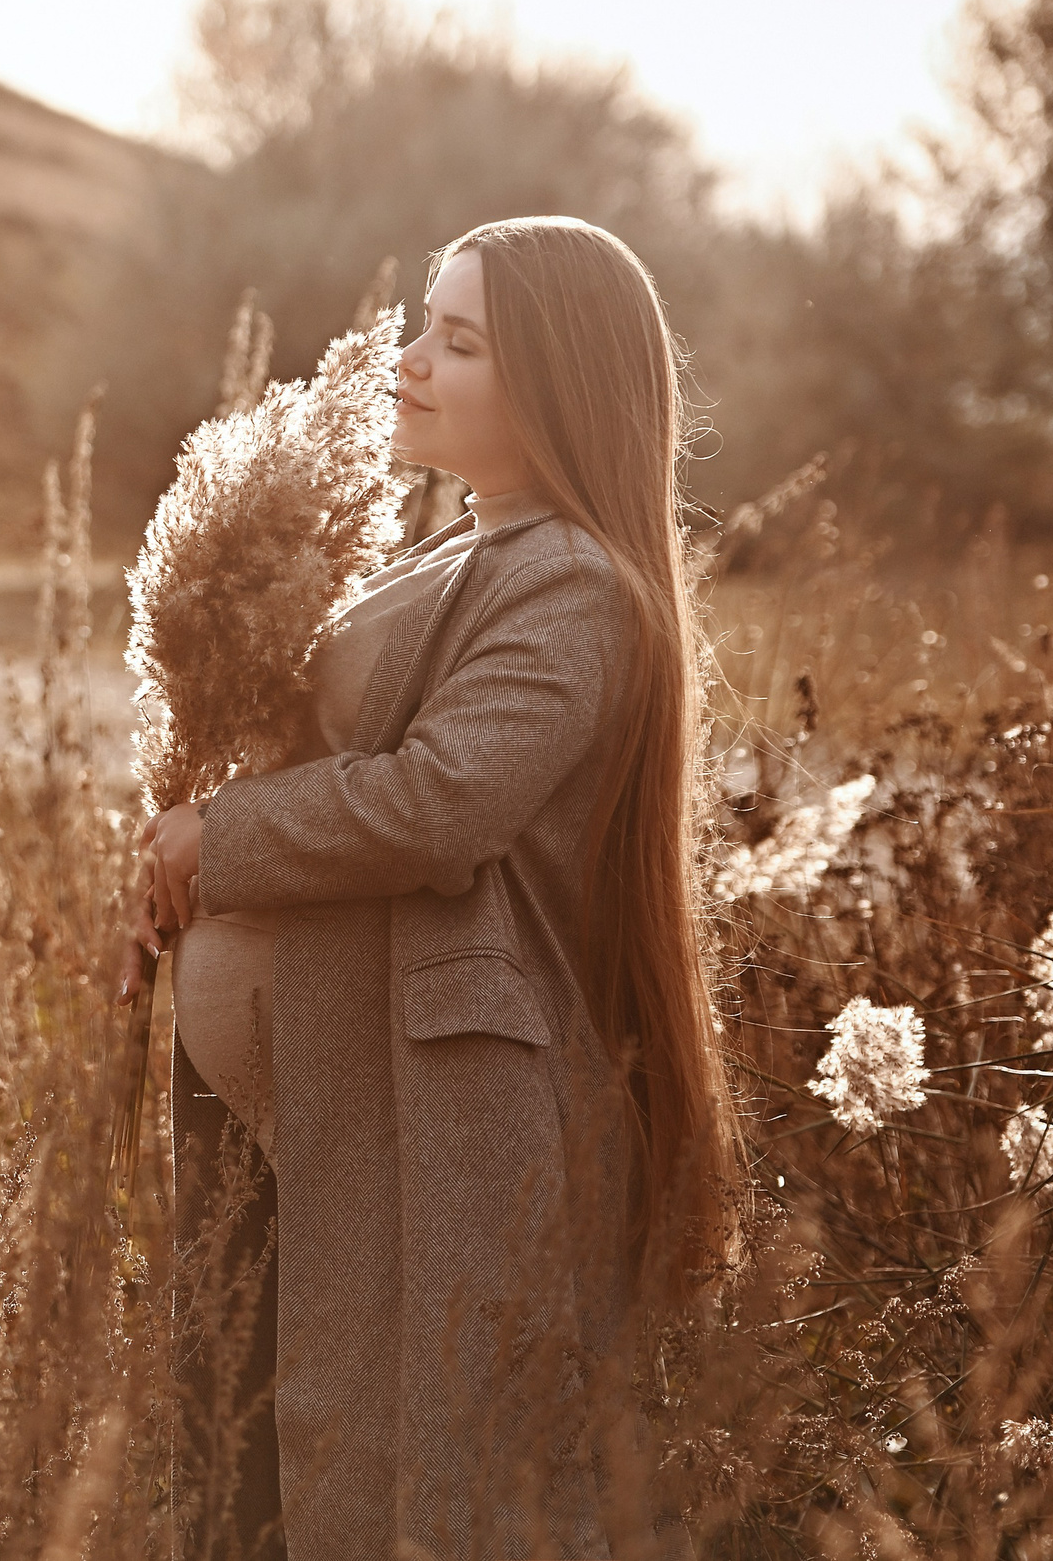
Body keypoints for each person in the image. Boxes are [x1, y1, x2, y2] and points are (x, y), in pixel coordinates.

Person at [134, 215, 748, 1559]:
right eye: (427, 326)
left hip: (440, 1108)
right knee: (280, 1468)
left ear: (558, 382)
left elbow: (442, 801)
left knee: (419, 1491)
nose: (408, 362)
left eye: (456, 340)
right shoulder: (459, 554)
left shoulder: (576, 584)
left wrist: (216, 838)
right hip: (341, 1093)